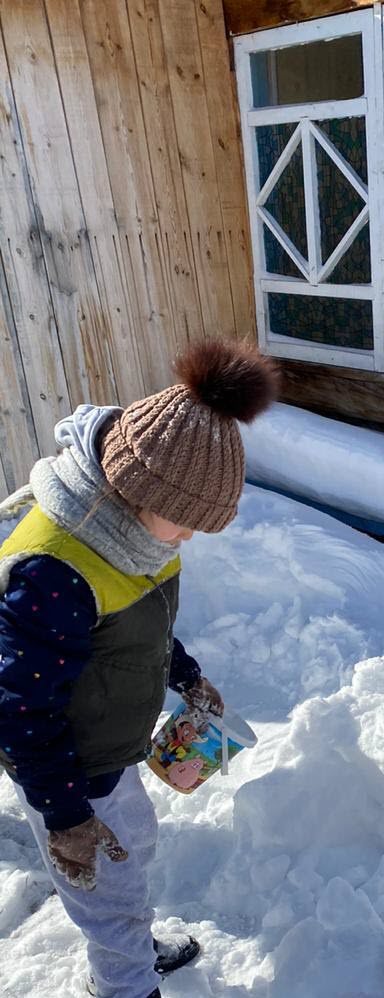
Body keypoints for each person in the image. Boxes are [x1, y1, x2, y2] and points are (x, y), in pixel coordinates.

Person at [0, 340, 279, 997]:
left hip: (105, 740)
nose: (185, 538)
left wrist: (183, 674)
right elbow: (18, 711)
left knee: (135, 847)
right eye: (183, 523)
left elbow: (139, 622)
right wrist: (65, 816)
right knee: (105, 888)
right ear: (138, 489)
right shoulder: (54, 570)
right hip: (63, 760)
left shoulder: (138, 536)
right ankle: (125, 982)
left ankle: (128, 938)